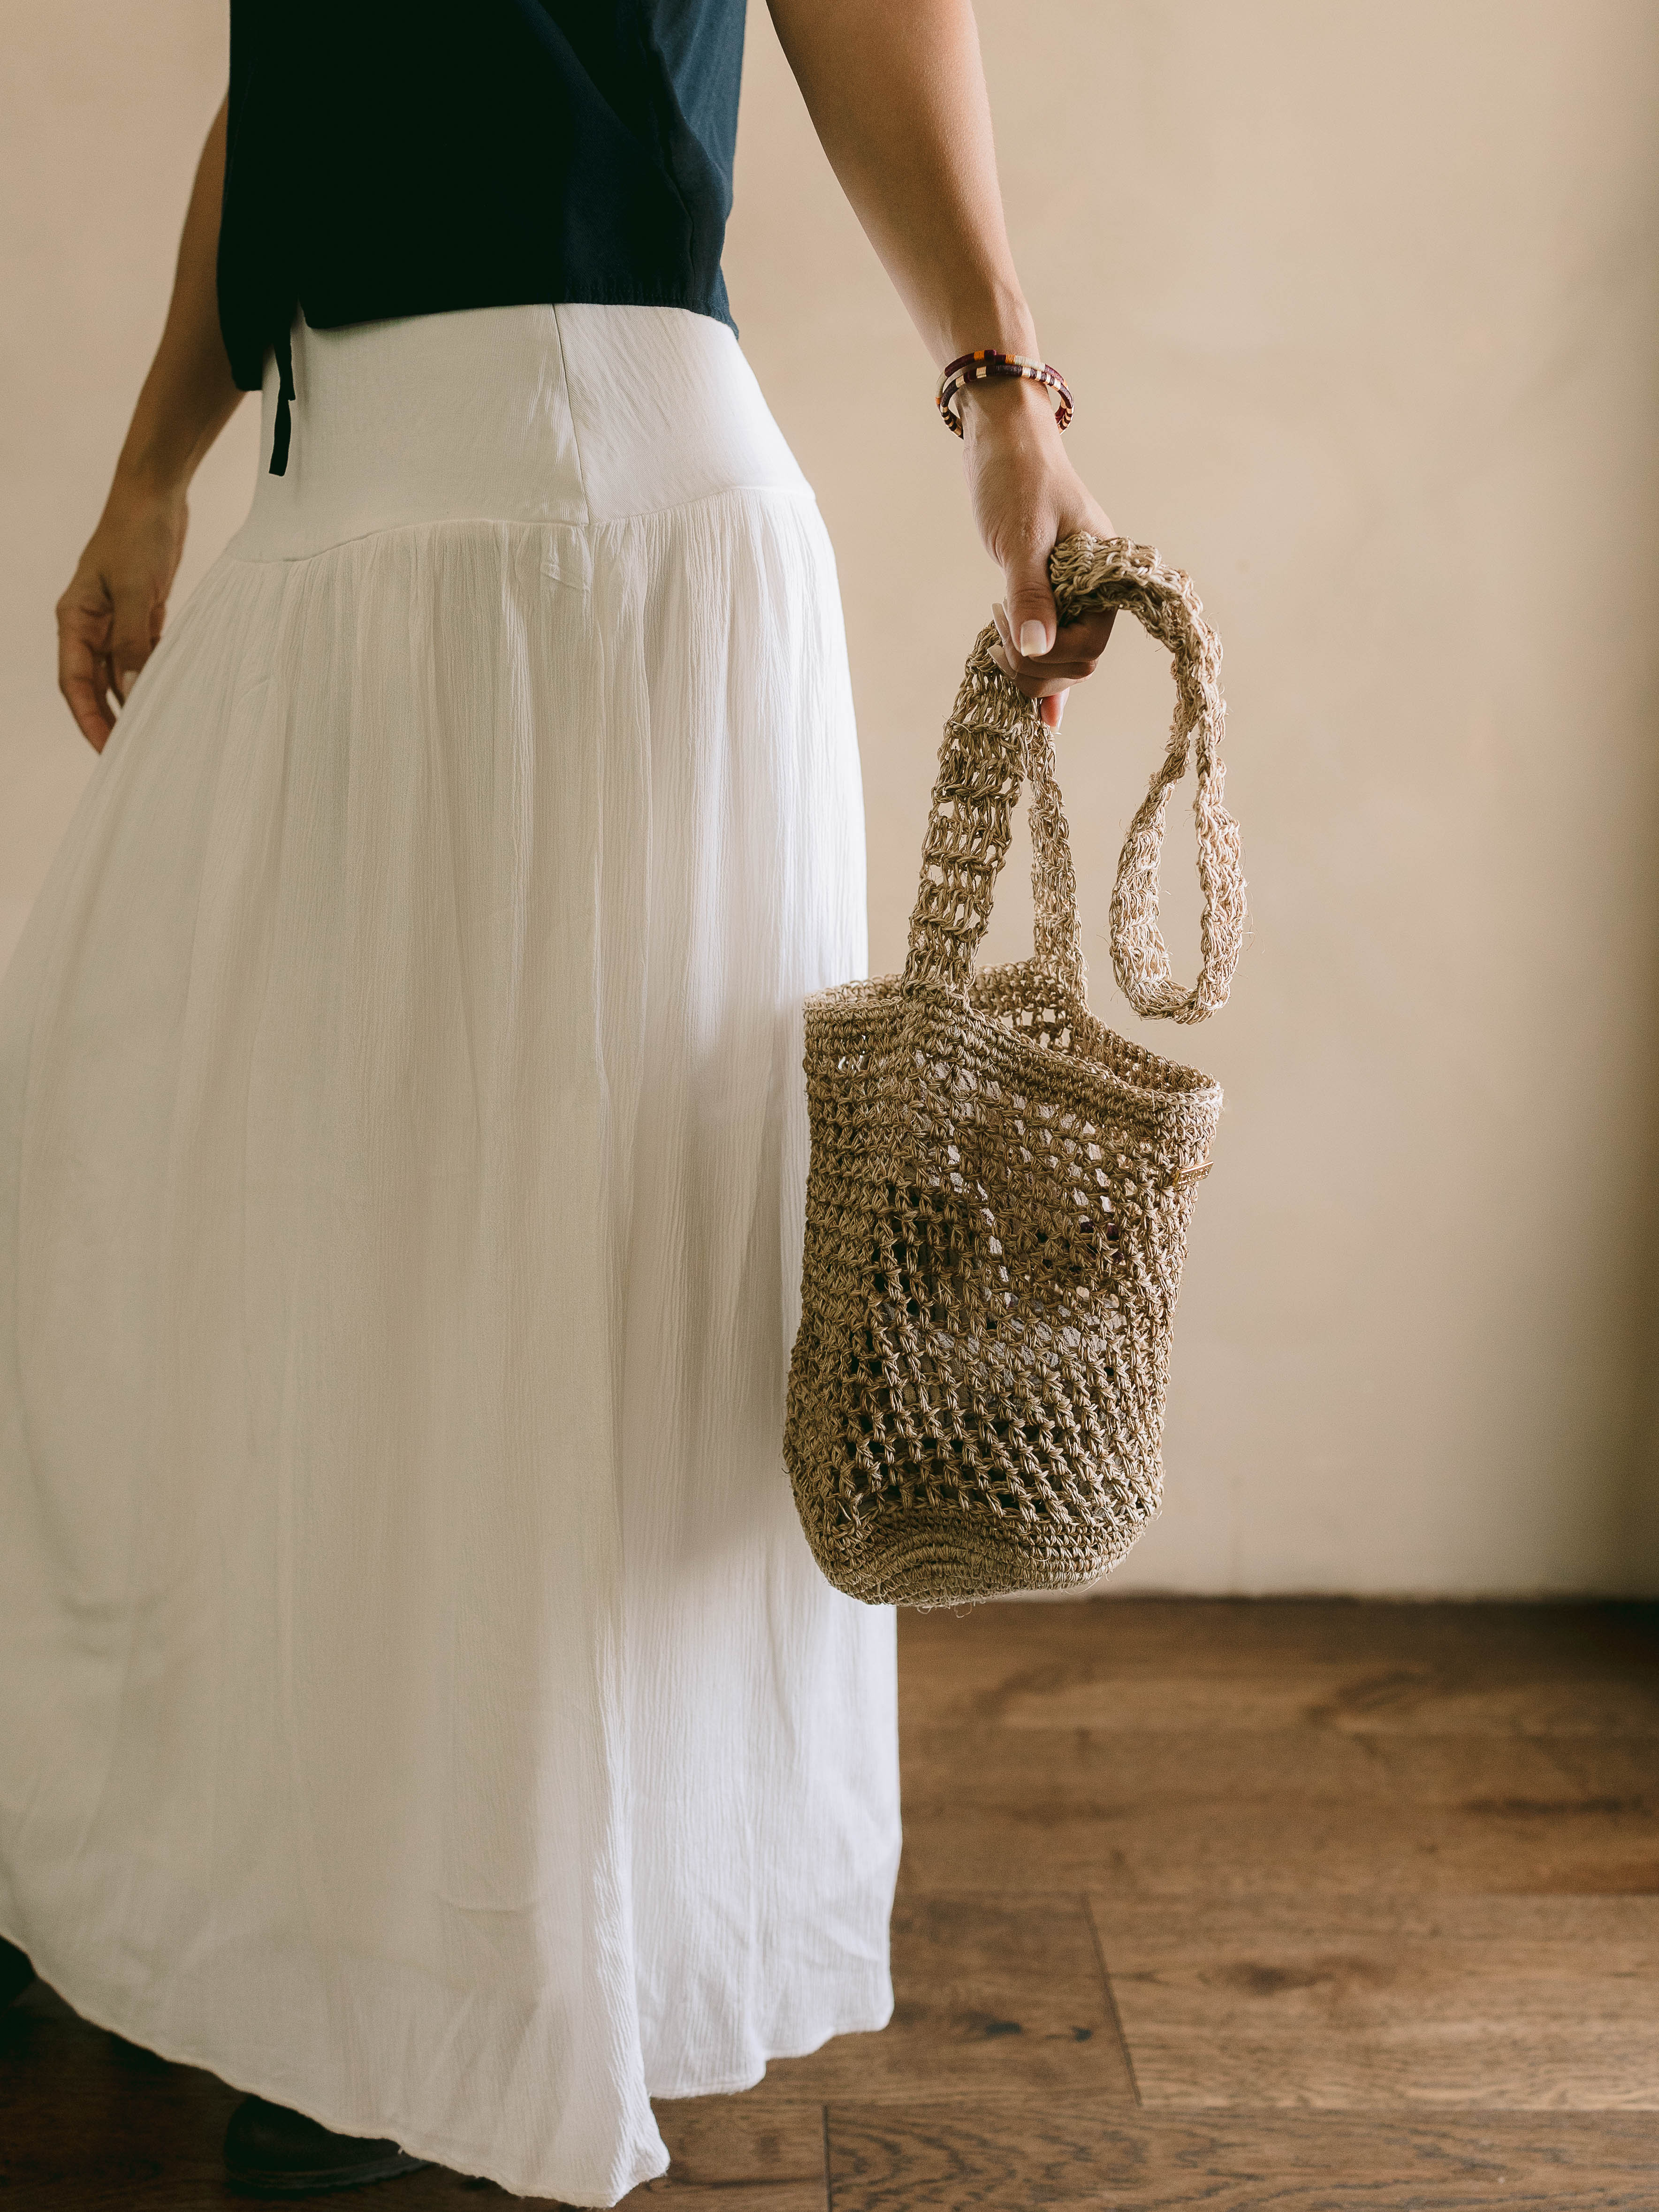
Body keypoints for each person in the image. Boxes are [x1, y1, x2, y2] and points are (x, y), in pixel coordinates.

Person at [0, 1, 1117, 2202]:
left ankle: (427, 1994)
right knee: (214, 1201)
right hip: (358, 492)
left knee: (505, 1292)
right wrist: (161, 459)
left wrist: (1002, 393)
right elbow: (298, 81)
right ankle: (213, 1892)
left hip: (574, 514)